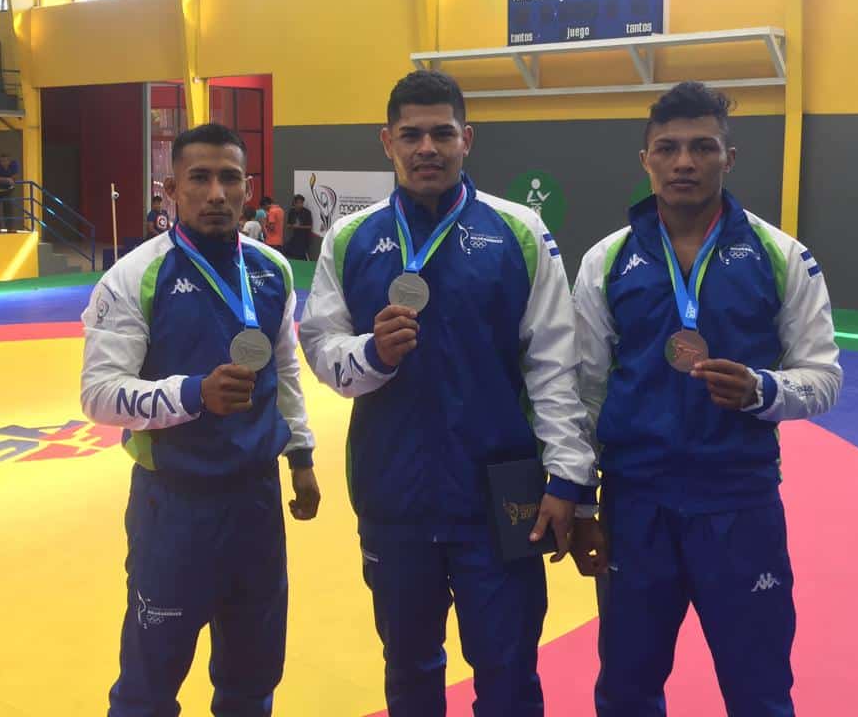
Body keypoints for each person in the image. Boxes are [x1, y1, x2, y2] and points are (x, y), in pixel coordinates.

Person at [299, 70, 595, 717]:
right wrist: (370, 355)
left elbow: (554, 363)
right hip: (393, 494)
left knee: (509, 672)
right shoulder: (351, 239)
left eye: (442, 133)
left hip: (504, 495)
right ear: (387, 142)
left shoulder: (519, 231)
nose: (427, 147)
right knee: (409, 670)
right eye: (411, 135)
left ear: (468, 139)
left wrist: (570, 478)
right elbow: (321, 348)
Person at [570, 82, 843, 717]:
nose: (684, 162)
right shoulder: (605, 261)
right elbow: (584, 392)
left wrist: (763, 390)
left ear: (729, 157)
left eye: (702, 147)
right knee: (627, 690)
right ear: (646, 160)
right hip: (636, 506)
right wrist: (583, 500)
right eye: (668, 148)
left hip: (739, 503)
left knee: (760, 691)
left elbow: (824, 377)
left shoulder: (781, 256)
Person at [80, 122, 320, 717]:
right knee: (148, 685)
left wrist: (301, 455)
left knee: (252, 678)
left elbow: (284, 369)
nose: (216, 193)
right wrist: (192, 394)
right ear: (172, 189)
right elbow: (98, 395)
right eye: (200, 178)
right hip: (174, 505)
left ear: (247, 190)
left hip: (257, 502)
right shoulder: (135, 276)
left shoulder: (271, 270)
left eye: (230, 178)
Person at [285, 194, 313, 261]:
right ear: (294, 203)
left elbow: (309, 226)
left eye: (301, 203)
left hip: (303, 238)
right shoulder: (292, 212)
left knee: (301, 257)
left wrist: (299, 227)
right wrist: (292, 226)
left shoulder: (307, 212)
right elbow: (288, 225)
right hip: (293, 237)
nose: (300, 205)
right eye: (298, 203)